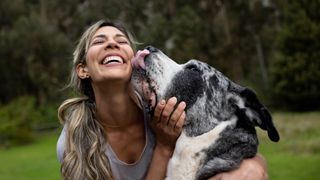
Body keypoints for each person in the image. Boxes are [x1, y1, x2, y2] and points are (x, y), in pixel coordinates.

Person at [57, 19, 268, 180]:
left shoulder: (166, 108)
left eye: (121, 41)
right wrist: (164, 145)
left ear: (133, 60)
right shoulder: (74, 142)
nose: (112, 43)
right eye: (99, 41)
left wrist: (254, 165)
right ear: (83, 69)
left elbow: (233, 143)